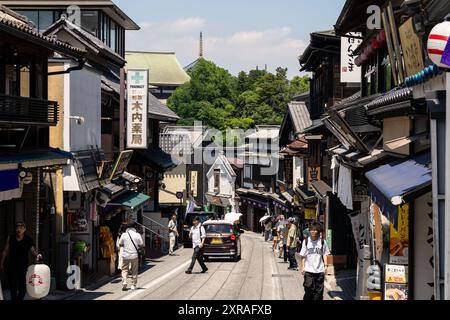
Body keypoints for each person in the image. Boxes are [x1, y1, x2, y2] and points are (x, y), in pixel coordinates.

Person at [0, 222, 41, 300]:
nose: (19, 229)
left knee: (22, 288)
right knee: (13, 287)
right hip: (12, 266)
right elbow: (5, 250)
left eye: (21, 227)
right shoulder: (11, 238)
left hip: (23, 266)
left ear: (24, 229)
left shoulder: (28, 239)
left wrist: (37, 255)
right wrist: (1, 263)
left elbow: (32, 251)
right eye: (17, 227)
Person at [300, 222, 331, 301]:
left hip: (319, 271)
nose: (313, 231)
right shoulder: (306, 241)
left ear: (318, 231)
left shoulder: (322, 242)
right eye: (312, 230)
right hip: (309, 270)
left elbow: (325, 255)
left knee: (319, 292)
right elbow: (303, 256)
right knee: (308, 288)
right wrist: (303, 267)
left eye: (315, 230)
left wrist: (326, 266)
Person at [118, 223, 144, 291]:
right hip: (134, 255)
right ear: (134, 229)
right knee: (134, 270)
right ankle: (133, 285)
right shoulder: (137, 235)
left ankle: (124, 282)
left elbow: (120, 244)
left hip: (125, 255)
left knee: (124, 269)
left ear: (127, 229)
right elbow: (141, 244)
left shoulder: (124, 234)